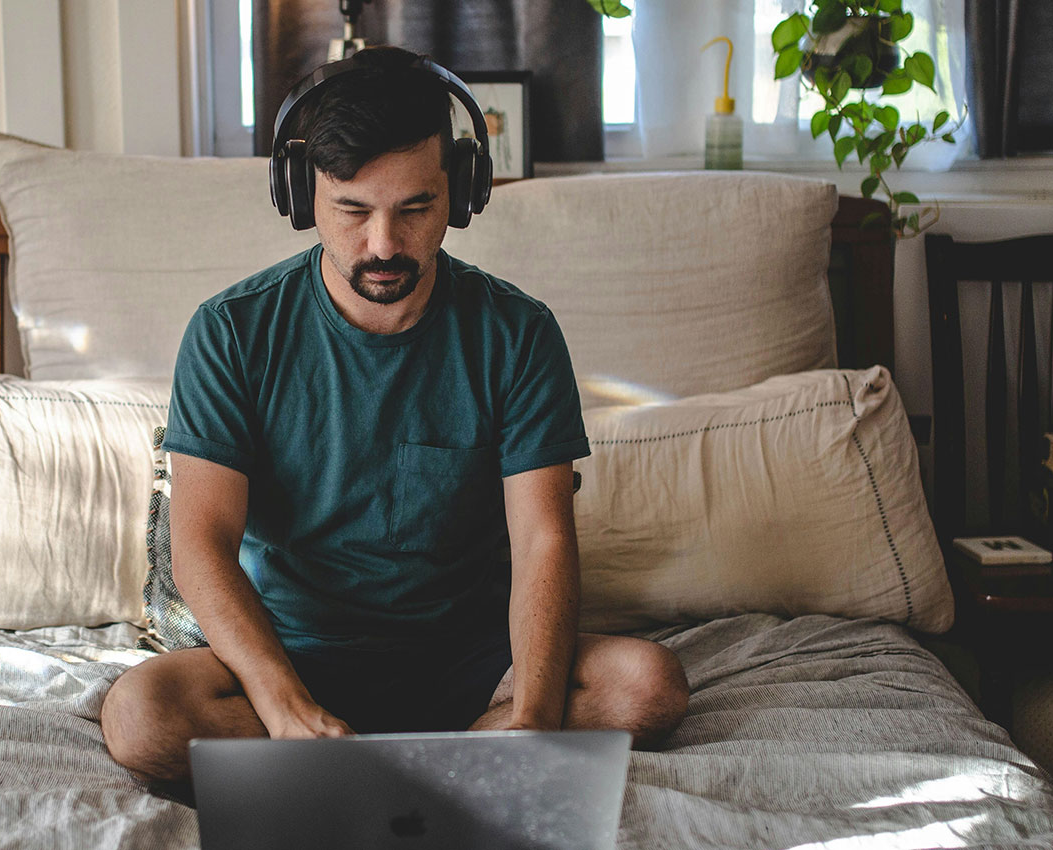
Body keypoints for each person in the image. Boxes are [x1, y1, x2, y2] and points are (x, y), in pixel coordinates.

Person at [99, 46, 687, 789]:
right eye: (352, 211)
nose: (383, 245)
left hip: (475, 661)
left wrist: (534, 718)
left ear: (463, 193)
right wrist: (286, 711)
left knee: (648, 686)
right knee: (141, 717)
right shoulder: (231, 332)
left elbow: (542, 540)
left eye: (416, 209)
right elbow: (202, 548)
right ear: (301, 194)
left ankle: (440, 758)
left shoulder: (518, 332)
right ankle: (417, 761)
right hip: (293, 656)